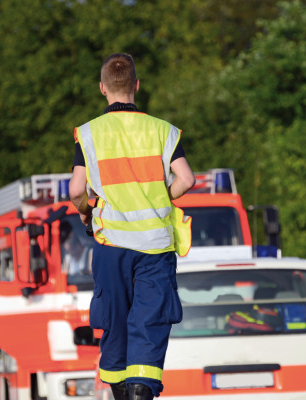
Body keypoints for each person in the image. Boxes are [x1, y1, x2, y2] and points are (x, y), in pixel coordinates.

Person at [69, 53, 195, 400]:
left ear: (102, 88)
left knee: (116, 321)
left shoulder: (89, 133)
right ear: (136, 85)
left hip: (111, 245)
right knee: (149, 322)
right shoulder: (162, 130)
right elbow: (187, 179)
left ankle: (121, 392)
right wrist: (161, 197)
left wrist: (86, 211)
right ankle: (142, 393)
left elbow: (76, 190)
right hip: (155, 245)